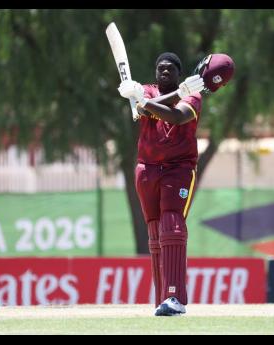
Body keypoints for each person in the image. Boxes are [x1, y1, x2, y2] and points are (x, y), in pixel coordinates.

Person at [117, 52, 204, 316]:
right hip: (147, 168)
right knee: (155, 232)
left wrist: (145, 103)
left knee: (172, 224)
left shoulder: (193, 95)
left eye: (170, 69)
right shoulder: (148, 91)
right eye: (160, 69)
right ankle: (161, 300)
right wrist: (134, 93)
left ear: (179, 73)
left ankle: (175, 298)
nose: (164, 72)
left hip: (178, 169)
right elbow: (143, 102)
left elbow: (176, 117)